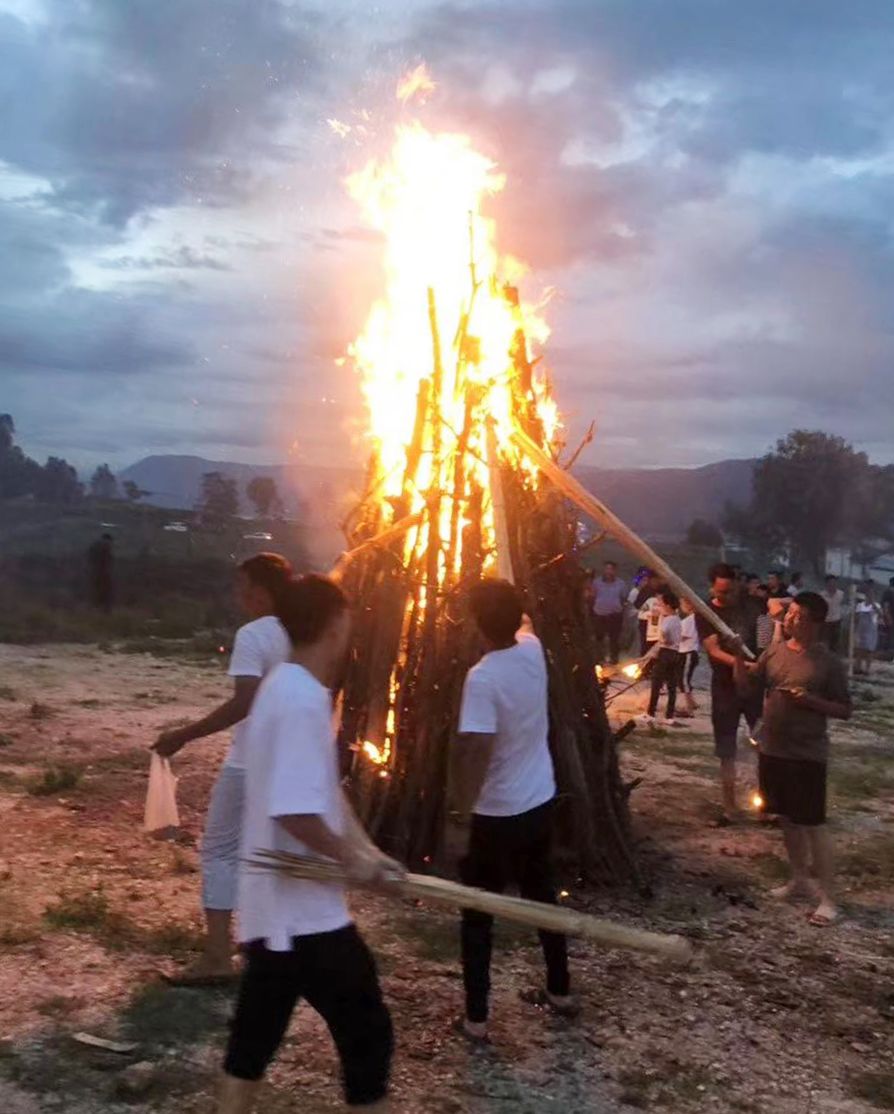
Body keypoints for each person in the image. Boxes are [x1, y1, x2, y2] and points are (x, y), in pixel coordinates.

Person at [219, 574, 398, 1114]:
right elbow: (294, 810)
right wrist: (352, 863)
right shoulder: (300, 700)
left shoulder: (286, 686)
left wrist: (369, 852)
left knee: (251, 1043)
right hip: (302, 921)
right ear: (337, 621)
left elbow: (323, 793)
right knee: (368, 1033)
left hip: (270, 914)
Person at [153, 553, 293, 984]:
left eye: (243, 587)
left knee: (219, 849)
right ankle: (275, 948)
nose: (239, 596)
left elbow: (244, 700)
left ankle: (217, 957)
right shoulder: (307, 631)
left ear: (263, 592)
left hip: (250, 760)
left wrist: (185, 734)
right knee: (275, 851)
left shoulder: (254, 634)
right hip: (294, 759)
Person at [451, 579, 574, 1045]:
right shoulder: (532, 649)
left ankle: (477, 1018)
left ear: (476, 623)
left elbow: (477, 749)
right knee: (544, 898)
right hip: (537, 802)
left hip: (497, 813)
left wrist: (461, 812)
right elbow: (525, 622)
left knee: (479, 913)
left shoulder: (482, 678)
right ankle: (560, 990)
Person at [735, 592, 851, 926]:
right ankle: (799, 879)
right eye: (790, 613)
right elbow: (746, 688)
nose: (789, 619)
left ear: (815, 624)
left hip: (806, 752)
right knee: (786, 817)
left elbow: (845, 709)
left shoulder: (828, 662)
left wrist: (811, 701)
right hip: (773, 747)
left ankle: (829, 898)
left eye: (798, 615)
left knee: (813, 823)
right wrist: (737, 657)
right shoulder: (774, 651)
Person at [696, 563, 763, 823]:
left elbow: (765, 638)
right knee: (726, 748)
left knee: (762, 741)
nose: (727, 597)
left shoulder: (752, 607)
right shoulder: (706, 612)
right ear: (713, 586)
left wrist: (759, 666)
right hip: (725, 687)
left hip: (755, 685)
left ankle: (766, 802)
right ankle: (730, 805)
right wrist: (742, 662)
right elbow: (713, 650)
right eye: (722, 591)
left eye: (731, 590)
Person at [640, 591, 682, 726]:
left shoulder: (668, 620)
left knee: (656, 683)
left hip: (665, 653)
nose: (660, 606)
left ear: (668, 605)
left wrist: (662, 643)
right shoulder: (677, 619)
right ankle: (669, 716)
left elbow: (664, 637)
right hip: (675, 653)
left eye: (662, 603)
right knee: (671, 686)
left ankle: (650, 713)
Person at [591, 560, 626, 664]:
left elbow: (623, 598)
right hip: (599, 614)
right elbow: (592, 596)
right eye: (607, 568)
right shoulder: (596, 583)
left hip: (614, 615)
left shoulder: (621, 583)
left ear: (615, 571)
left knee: (614, 639)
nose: (608, 571)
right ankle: (599, 659)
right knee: (599, 638)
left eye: (611, 569)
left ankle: (614, 660)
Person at [676, 596, 700, 717]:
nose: (682, 607)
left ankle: (689, 708)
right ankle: (692, 702)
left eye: (683, 604)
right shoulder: (690, 619)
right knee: (683, 679)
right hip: (684, 651)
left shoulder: (692, 619)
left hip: (689, 652)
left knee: (683, 680)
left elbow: (685, 635)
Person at [854, 585, 881, 675]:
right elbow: (856, 617)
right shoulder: (860, 605)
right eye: (868, 594)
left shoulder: (876, 605)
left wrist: (873, 604)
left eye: (872, 594)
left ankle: (867, 669)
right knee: (860, 650)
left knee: (869, 651)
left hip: (871, 631)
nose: (870, 596)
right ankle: (858, 667)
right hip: (861, 630)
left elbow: (880, 614)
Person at [87, 533, 114, 611]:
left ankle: (96, 607)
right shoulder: (105, 547)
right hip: (102, 572)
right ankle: (103, 608)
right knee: (105, 591)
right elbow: (108, 561)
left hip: (95, 572)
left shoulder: (94, 546)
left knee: (96, 590)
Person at [820, 575, 845, 652]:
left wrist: (842, 615)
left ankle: (833, 658)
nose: (832, 584)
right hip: (826, 621)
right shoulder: (822, 595)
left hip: (836, 621)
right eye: (830, 582)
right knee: (824, 642)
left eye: (834, 582)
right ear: (827, 584)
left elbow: (844, 606)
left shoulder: (841, 594)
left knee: (835, 643)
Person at [881, 576, 894, 654]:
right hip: (890, 616)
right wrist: (887, 617)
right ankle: (887, 652)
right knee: (889, 635)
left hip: (890, 616)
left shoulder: (888, 591)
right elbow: (886, 605)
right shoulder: (889, 592)